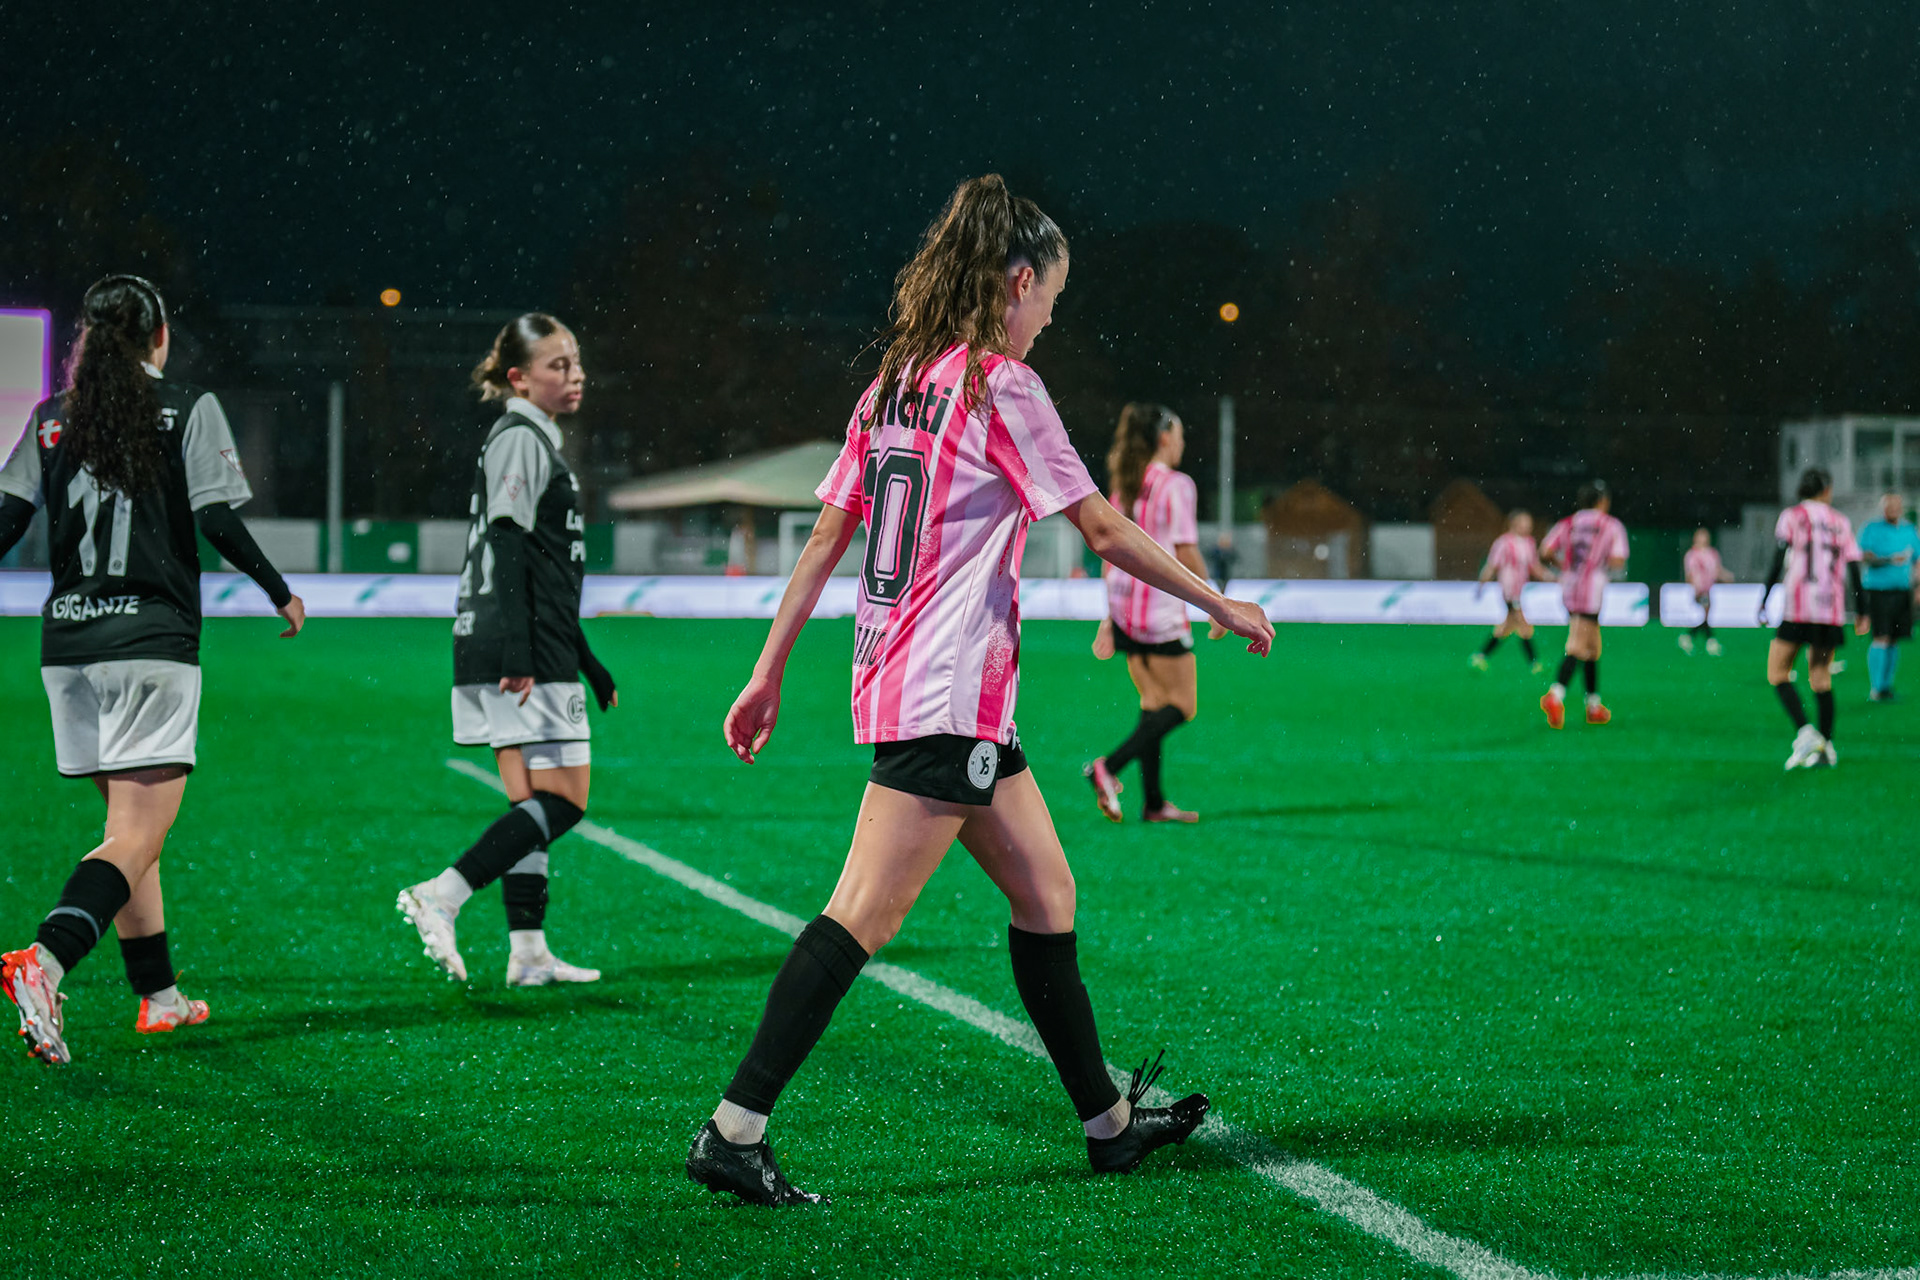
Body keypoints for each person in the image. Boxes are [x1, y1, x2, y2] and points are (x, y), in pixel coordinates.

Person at [684, 175, 1275, 1206]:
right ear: (1013, 281)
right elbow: (1100, 526)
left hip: (939, 691)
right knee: (860, 911)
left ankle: (1108, 1124)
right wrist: (1218, 603)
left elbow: (830, 531)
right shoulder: (997, 386)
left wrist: (767, 668)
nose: (1052, 312)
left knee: (1048, 890)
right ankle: (733, 1128)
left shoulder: (897, 382)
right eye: (1049, 292)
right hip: (945, 691)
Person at [0, 274, 305, 1064]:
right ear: (158, 337)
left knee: (130, 835)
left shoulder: (51, 419)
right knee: (136, 834)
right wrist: (280, 591)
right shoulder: (185, 407)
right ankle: (45, 961)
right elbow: (213, 519)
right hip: (149, 644)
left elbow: (7, 519)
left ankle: (159, 997)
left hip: (68, 649)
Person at [397, 315, 617, 987]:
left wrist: (588, 658)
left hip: (514, 640)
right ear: (518, 377)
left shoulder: (529, 440)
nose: (573, 375)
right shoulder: (520, 438)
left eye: (576, 362)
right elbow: (510, 545)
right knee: (567, 801)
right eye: (557, 365)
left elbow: (544, 566)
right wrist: (524, 653)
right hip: (520, 648)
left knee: (530, 806)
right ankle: (444, 893)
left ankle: (527, 952)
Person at [1084, 402, 1212, 824]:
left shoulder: (1126, 485)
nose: (1181, 444)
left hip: (1124, 608)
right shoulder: (1177, 485)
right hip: (1159, 612)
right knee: (1182, 705)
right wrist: (1217, 604)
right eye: (1178, 436)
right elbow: (1186, 549)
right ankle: (1108, 767)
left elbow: (1110, 551)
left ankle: (1154, 804)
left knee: (1153, 702)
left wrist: (1109, 619)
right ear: (1163, 438)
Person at [1763, 468, 1866, 768]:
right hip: (1830, 609)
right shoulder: (1840, 521)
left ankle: (1806, 732)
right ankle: (1827, 747)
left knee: (1778, 672)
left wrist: (1765, 596)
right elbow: (1854, 567)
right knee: (1820, 676)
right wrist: (1862, 610)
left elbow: (1778, 556)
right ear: (1825, 490)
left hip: (1799, 606)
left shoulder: (1792, 516)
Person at [1538, 482, 1628, 728]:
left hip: (1570, 586)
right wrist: (1598, 561)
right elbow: (1618, 560)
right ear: (1602, 501)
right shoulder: (1610, 525)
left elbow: (1545, 551)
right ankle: (1555, 695)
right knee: (1578, 646)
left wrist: (1565, 565)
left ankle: (1593, 706)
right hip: (1592, 590)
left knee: (1592, 647)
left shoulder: (1567, 523)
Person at [1857, 492, 1920, 700]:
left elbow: (1917, 561)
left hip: (1902, 591)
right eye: (1889, 506)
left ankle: (1886, 687)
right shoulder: (1871, 529)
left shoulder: (1909, 530)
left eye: (1896, 506)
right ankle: (1876, 687)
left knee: (1895, 639)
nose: (1893, 510)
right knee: (1881, 636)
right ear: (1883, 508)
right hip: (1879, 591)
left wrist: (1918, 587)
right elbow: (1864, 556)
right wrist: (1889, 559)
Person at [1470, 510, 1548, 673]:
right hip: (1508, 590)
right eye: (1525, 523)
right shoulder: (1503, 543)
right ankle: (1534, 663)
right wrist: (1481, 584)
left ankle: (1480, 656)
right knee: (1524, 624)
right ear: (1514, 523)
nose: (1528, 526)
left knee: (1505, 628)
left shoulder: (1529, 543)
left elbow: (1534, 567)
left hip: (1519, 591)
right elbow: (1492, 566)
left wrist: (1551, 577)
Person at [1679, 527, 1734, 656]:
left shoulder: (1712, 554)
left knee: (1705, 616)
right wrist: (1695, 587)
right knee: (1706, 611)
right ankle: (1710, 640)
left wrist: (1726, 577)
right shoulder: (1692, 555)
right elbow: (1690, 574)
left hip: (1708, 590)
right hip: (1700, 590)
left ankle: (1689, 636)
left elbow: (1717, 570)